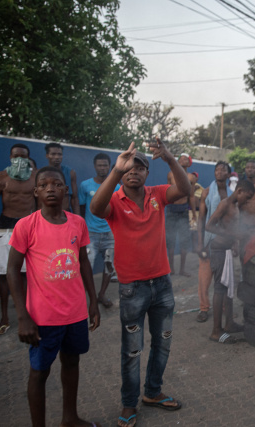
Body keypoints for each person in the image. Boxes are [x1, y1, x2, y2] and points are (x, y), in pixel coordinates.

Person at [90, 139, 190, 426]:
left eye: (140, 168)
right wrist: (115, 172)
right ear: (123, 173)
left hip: (162, 284)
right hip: (132, 288)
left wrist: (170, 158)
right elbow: (96, 209)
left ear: (147, 173)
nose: (134, 172)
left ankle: (153, 392)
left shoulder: (157, 194)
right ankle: (128, 404)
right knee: (132, 350)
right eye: (129, 169)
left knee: (163, 344)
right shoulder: (115, 201)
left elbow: (183, 190)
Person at [7, 166, 101, 427]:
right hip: (43, 317)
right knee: (39, 372)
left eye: (57, 184)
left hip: (75, 314)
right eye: (45, 185)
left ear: (65, 190)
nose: (51, 188)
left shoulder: (77, 223)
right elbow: (13, 270)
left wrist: (92, 301)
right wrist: (22, 316)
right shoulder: (26, 225)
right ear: (36, 191)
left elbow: (83, 262)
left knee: (71, 363)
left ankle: (70, 419)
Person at [0, 143, 36, 335]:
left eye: (23, 156)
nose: (19, 160)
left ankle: (28, 314)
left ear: (28, 158)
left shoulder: (35, 176)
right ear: (10, 157)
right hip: (6, 228)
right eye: (16, 156)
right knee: (4, 275)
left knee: (27, 275)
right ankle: (4, 317)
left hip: (28, 228)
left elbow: (40, 207)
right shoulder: (1, 176)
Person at [205, 179, 255, 344]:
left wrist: (234, 243)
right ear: (239, 191)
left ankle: (229, 323)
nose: (246, 202)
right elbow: (209, 225)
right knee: (220, 289)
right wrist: (233, 237)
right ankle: (216, 331)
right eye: (246, 198)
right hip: (218, 250)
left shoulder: (236, 206)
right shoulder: (225, 204)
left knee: (228, 288)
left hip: (227, 250)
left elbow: (232, 227)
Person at [78, 153, 120, 308]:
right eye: (99, 165)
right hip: (91, 234)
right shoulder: (85, 185)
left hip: (110, 234)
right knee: (86, 266)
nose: (102, 168)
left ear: (110, 167)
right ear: (95, 166)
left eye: (105, 165)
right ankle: (89, 297)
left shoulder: (116, 187)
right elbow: (82, 209)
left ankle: (101, 294)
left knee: (109, 265)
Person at [196, 161, 232, 323]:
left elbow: (235, 220)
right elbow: (201, 219)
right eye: (217, 170)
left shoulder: (232, 194)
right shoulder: (207, 192)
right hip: (209, 242)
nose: (219, 172)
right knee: (204, 279)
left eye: (223, 170)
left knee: (224, 278)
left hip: (225, 242)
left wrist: (235, 242)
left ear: (228, 174)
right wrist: (199, 242)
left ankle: (223, 307)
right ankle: (204, 308)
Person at [165, 153, 196, 277]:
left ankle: (182, 269)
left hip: (183, 210)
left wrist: (193, 214)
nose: (183, 160)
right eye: (181, 159)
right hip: (171, 210)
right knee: (170, 240)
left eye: (186, 159)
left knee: (184, 240)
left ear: (189, 163)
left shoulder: (191, 177)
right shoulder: (171, 174)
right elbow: (166, 191)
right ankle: (171, 268)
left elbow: (192, 196)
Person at [44, 143, 79, 214]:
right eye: (53, 154)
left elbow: (74, 198)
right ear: (47, 156)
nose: (57, 157)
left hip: (65, 215)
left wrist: (78, 217)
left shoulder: (70, 173)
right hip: (47, 216)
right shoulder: (41, 174)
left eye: (59, 154)